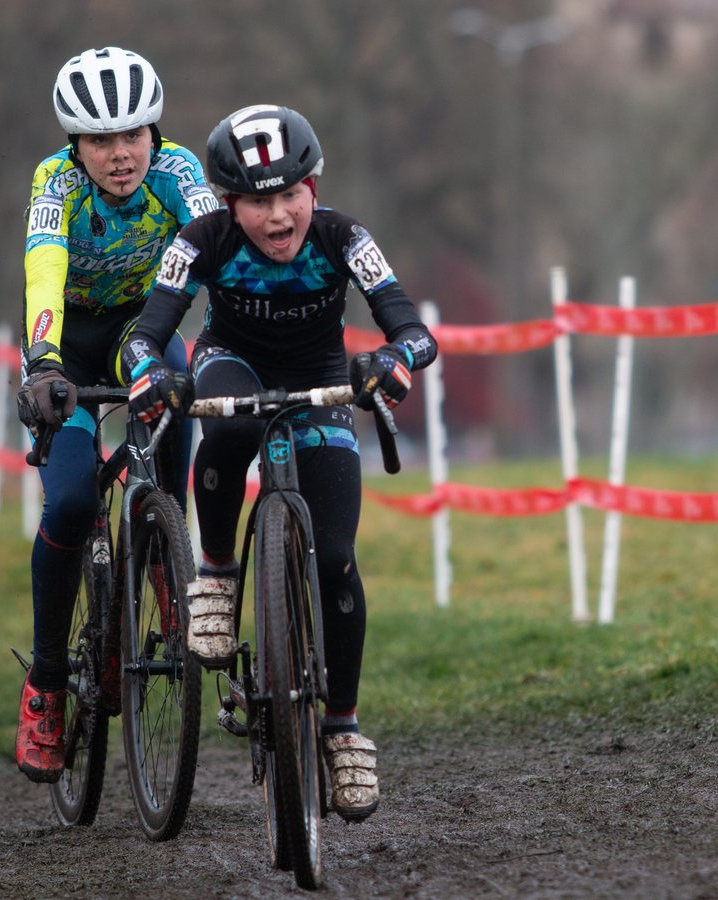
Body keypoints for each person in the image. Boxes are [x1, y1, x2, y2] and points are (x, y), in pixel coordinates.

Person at [122, 104, 438, 822]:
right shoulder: (197, 239)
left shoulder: (345, 237)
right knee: (225, 426)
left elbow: (414, 329)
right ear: (229, 204)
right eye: (257, 201)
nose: (275, 216)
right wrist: (152, 374)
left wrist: (391, 358)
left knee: (335, 560)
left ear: (314, 189)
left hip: (320, 375)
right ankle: (219, 572)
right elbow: (144, 337)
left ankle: (343, 728)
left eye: (289, 194)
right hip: (233, 363)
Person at [13, 47, 218, 784]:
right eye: (100, 140)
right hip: (66, 343)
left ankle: (167, 558)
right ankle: (44, 684)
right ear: (76, 144)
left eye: (131, 134)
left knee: (178, 382)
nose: (119, 154)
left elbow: (216, 249)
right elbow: (44, 265)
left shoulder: (179, 171)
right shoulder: (55, 183)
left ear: (152, 130)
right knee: (68, 502)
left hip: (142, 330)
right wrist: (42, 364)